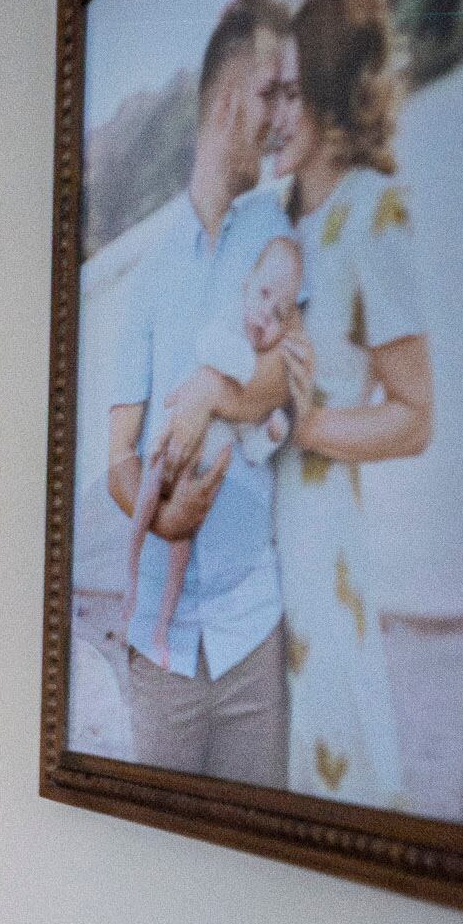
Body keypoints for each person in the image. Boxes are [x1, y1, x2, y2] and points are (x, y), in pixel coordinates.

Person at [102, 0, 305, 783]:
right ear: (227, 99)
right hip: (161, 653)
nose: (279, 117)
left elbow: (284, 381)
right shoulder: (147, 280)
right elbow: (119, 456)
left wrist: (217, 394)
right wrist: (160, 514)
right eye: (268, 94)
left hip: (255, 635)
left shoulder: (279, 234)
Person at [273, 0, 433, 808]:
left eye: (292, 91)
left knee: (332, 766)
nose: (275, 114)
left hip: (320, 544)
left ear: (332, 94)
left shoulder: (376, 212)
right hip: (248, 553)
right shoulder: (273, 221)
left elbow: (414, 417)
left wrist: (312, 431)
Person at [120, 233, 307, 667]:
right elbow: (211, 351)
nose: (264, 314)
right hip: (171, 454)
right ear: (246, 286)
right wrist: (244, 380)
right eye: (262, 294)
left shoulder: (256, 377)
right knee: (146, 507)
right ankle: (130, 579)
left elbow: (248, 440)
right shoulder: (226, 327)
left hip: (198, 480)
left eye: (277, 314)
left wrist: (270, 433)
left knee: (180, 552)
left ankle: (163, 628)